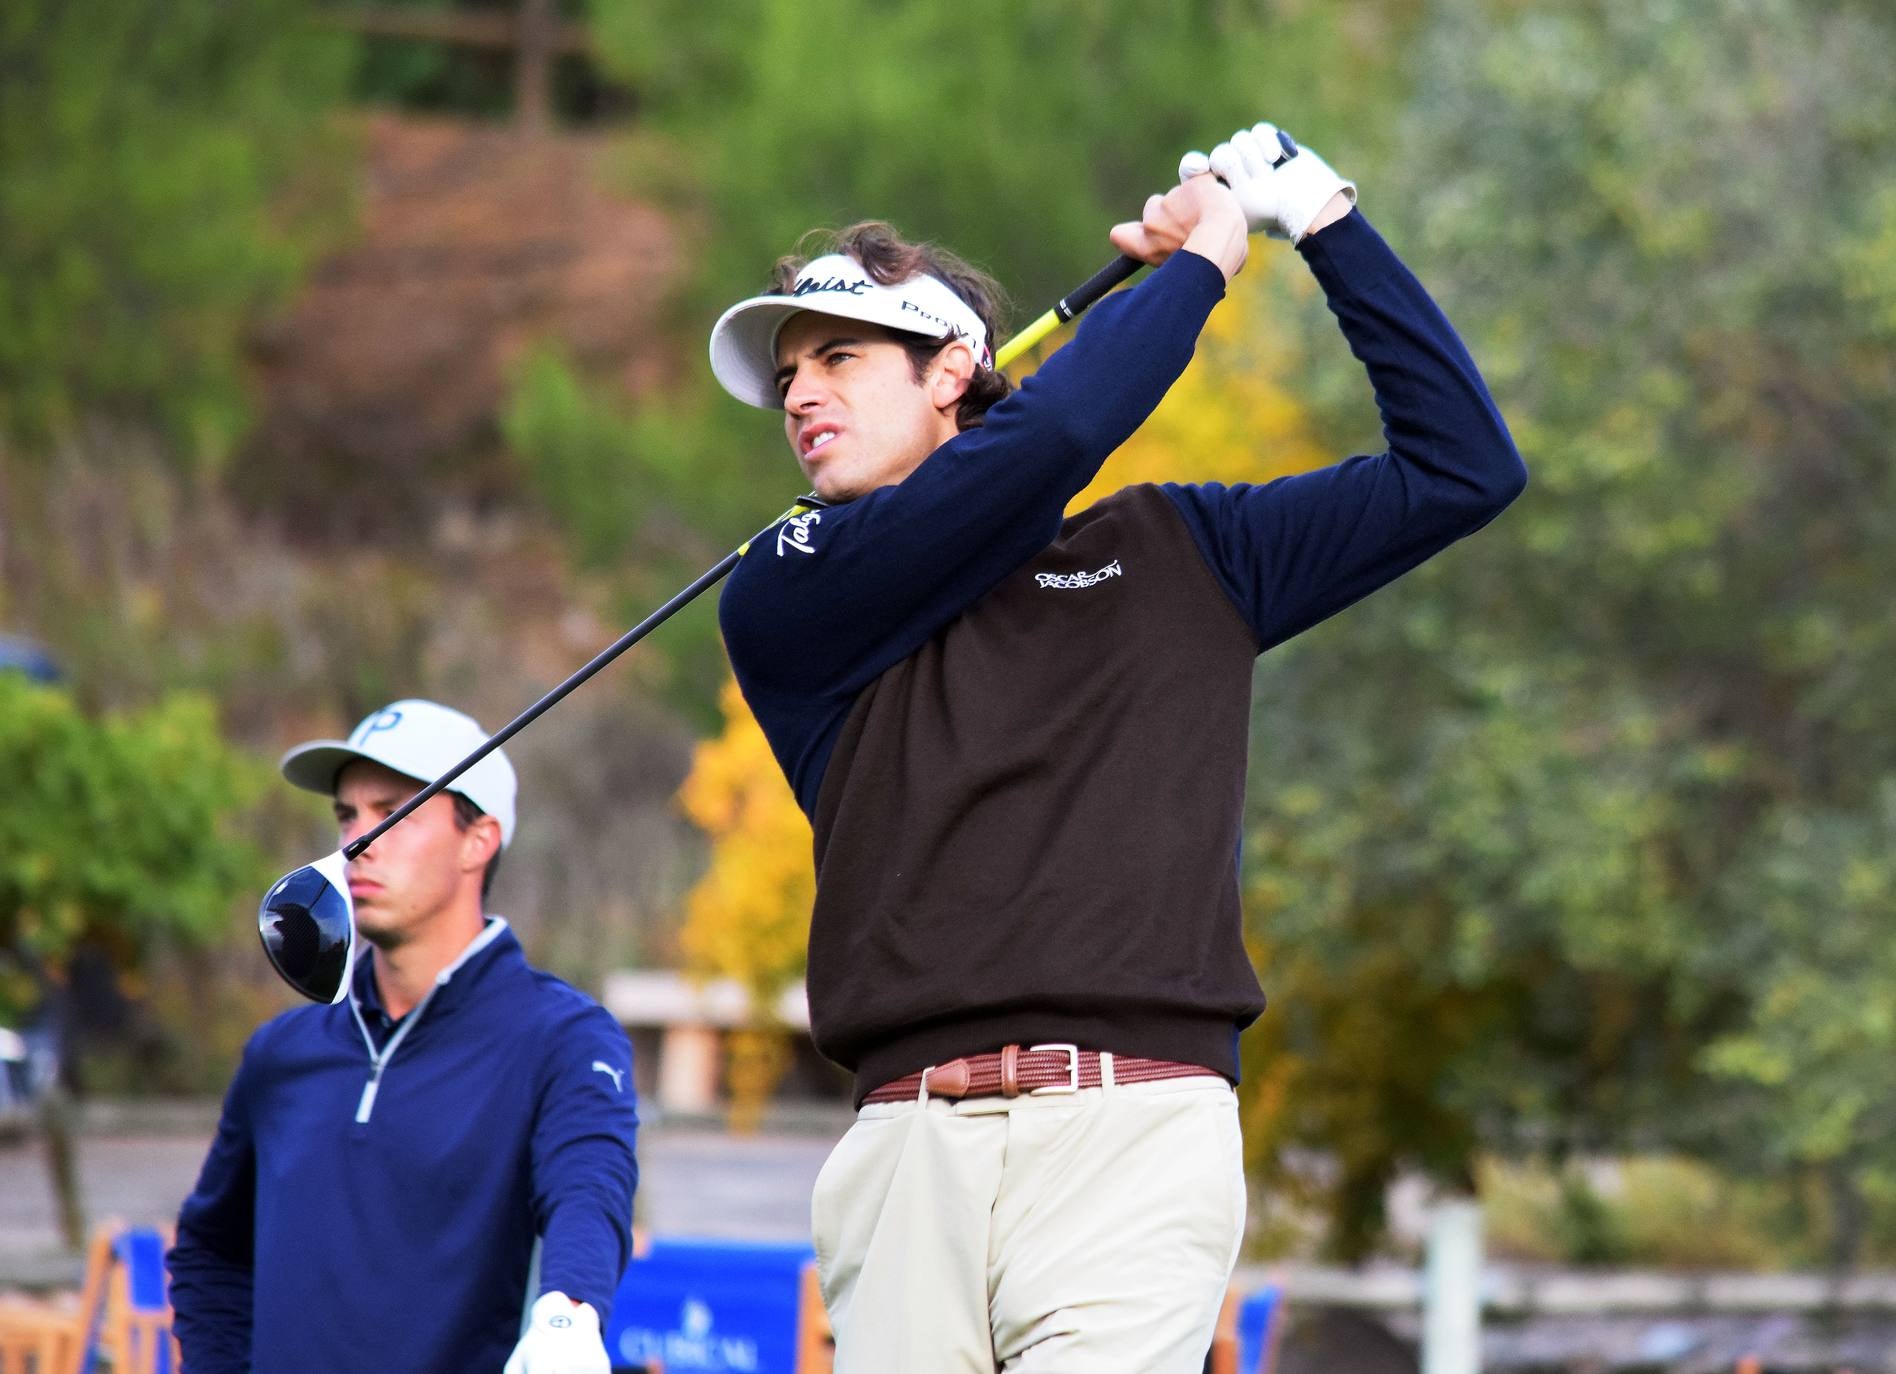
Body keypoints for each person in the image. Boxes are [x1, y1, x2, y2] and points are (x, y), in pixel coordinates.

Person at [706, 122, 1527, 1370]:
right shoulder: (789, 588)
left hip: (1133, 1136)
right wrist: (1202, 261)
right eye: (787, 379)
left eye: (839, 357)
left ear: (952, 371)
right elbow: (1035, 454)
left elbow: (1461, 468)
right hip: (905, 1154)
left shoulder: (1183, 555)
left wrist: (1323, 222)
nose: (800, 395)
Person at [168, 699, 639, 1374]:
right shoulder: (282, 1053)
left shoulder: (563, 1038)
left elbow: (588, 1188)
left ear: (479, 839)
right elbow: (212, 1248)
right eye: (347, 816)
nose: (359, 843)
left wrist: (570, 1311)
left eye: (392, 812)